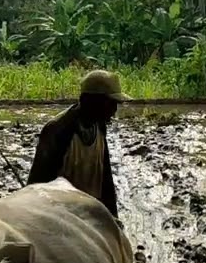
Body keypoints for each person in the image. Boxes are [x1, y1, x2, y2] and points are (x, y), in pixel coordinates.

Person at [26, 69, 131, 219]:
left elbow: (105, 179)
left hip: (89, 215)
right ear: (92, 102)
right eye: (111, 104)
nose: (114, 111)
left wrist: (113, 219)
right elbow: (37, 185)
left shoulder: (99, 126)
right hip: (60, 218)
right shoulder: (58, 131)